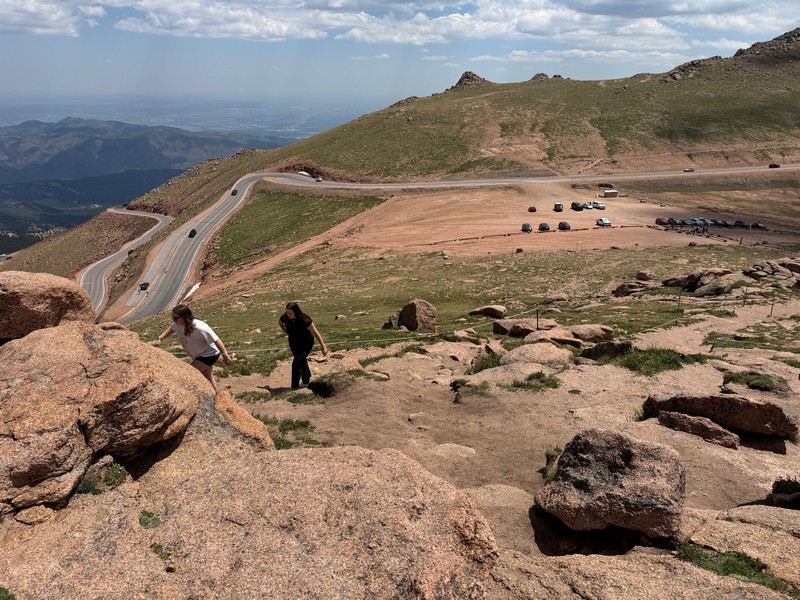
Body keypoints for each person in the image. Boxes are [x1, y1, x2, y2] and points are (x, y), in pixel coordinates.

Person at [152, 304, 233, 391]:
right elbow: (171, 329)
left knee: (189, 373)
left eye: (175, 318)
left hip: (209, 354)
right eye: (172, 317)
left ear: (184, 317)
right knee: (207, 377)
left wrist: (225, 355)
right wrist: (160, 338)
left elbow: (216, 340)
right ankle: (217, 394)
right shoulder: (178, 324)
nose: (174, 320)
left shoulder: (200, 327)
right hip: (198, 355)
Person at [278, 302, 328, 390]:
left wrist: (323, 347)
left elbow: (316, 333)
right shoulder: (286, 317)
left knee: (296, 363)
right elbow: (280, 322)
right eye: (287, 312)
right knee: (300, 360)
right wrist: (284, 330)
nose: (288, 315)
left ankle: (294, 387)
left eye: (290, 313)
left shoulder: (304, 320)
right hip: (294, 342)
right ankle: (306, 378)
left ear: (296, 312)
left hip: (306, 343)